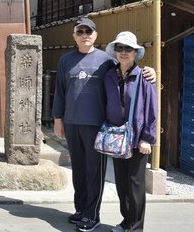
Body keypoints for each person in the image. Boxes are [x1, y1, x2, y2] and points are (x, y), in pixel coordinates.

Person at [52, 17, 155, 232]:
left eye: (88, 32)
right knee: (78, 170)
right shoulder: (65, 60)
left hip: (97, 125)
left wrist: (151, 72)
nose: (84, 35)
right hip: (72, 122)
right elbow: (60, 91)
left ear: (95, 35)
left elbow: (131, 71)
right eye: (79, 32)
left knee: (94, 171)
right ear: (74, 36)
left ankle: (92, 214)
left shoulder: (105, 61)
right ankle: (81, 209)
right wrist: (58, 119)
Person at [104, 32, 158, 232]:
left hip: (137, 139)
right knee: (121, 183)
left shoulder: (144, 76)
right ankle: (126, 221)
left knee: (135, 184)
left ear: (135, 52)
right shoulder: (109, 74)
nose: (124, 52)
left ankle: (136, 228)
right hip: (117, 138)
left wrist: (147, 138)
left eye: (128, 49)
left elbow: (152, 109)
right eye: (120, 48)